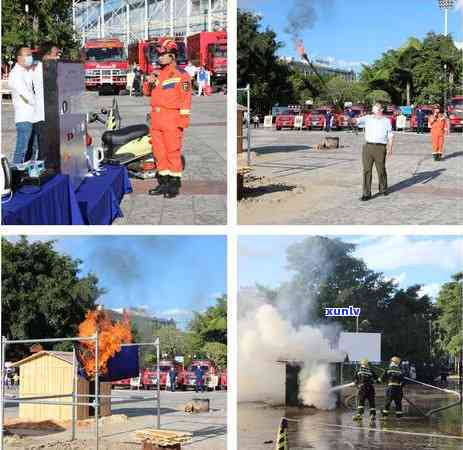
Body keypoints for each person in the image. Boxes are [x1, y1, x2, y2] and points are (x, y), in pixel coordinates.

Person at [145, 37, 192, 198]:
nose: (159, 57)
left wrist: (183, 121)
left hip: (172, 119)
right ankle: (163, 183)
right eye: (158, 54)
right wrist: (149, 82)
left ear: (172, 55)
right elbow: (146, 93)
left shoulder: (181, 74)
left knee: (172, 152)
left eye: (162, 54)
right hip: (156, 119)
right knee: (159, 153)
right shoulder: (157, 73)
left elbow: (186, 99)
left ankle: (174, 185)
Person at [29, 42, 61, 160]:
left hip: (52, 115)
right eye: (55, 54)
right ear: (46, 55)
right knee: (44, 151)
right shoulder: (39, 69)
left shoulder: (46, 67)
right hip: (43, 116)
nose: (58, 57)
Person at [356, 103, 393, 201]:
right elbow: (357, 121)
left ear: (381, 110)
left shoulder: (386, 121)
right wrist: (350, 119)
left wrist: (390, 147)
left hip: (380, 147)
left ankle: (383, 188)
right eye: (373, 111)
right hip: (368, 147)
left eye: (375, 110)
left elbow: (390, 135)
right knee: (367, 170)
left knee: (381, 169)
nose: (373, 113)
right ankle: (366, 193)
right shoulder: (368, 118)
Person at [8, 46, 36, 164]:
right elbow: (26, 95)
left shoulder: (26, 71)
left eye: (31, 55)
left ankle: (28, 171)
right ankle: (15, 174)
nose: (31, 57)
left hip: (33, 116)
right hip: (24, 117)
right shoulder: (15, 74)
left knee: (33, 148)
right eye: (28, 55)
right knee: (22, 149)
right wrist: (39, 103)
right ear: (19, 57)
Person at [353, 358, 378, 424]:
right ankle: (372, 415)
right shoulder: (370, 370)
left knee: (361, 402)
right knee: (371, 402)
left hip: (362, 388)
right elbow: (377, 379)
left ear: (361, 364)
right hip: (370, 388)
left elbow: (355, 379)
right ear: (367, 364)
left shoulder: (359, 370)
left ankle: (359, 415)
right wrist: (376, 380)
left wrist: (356, 384)